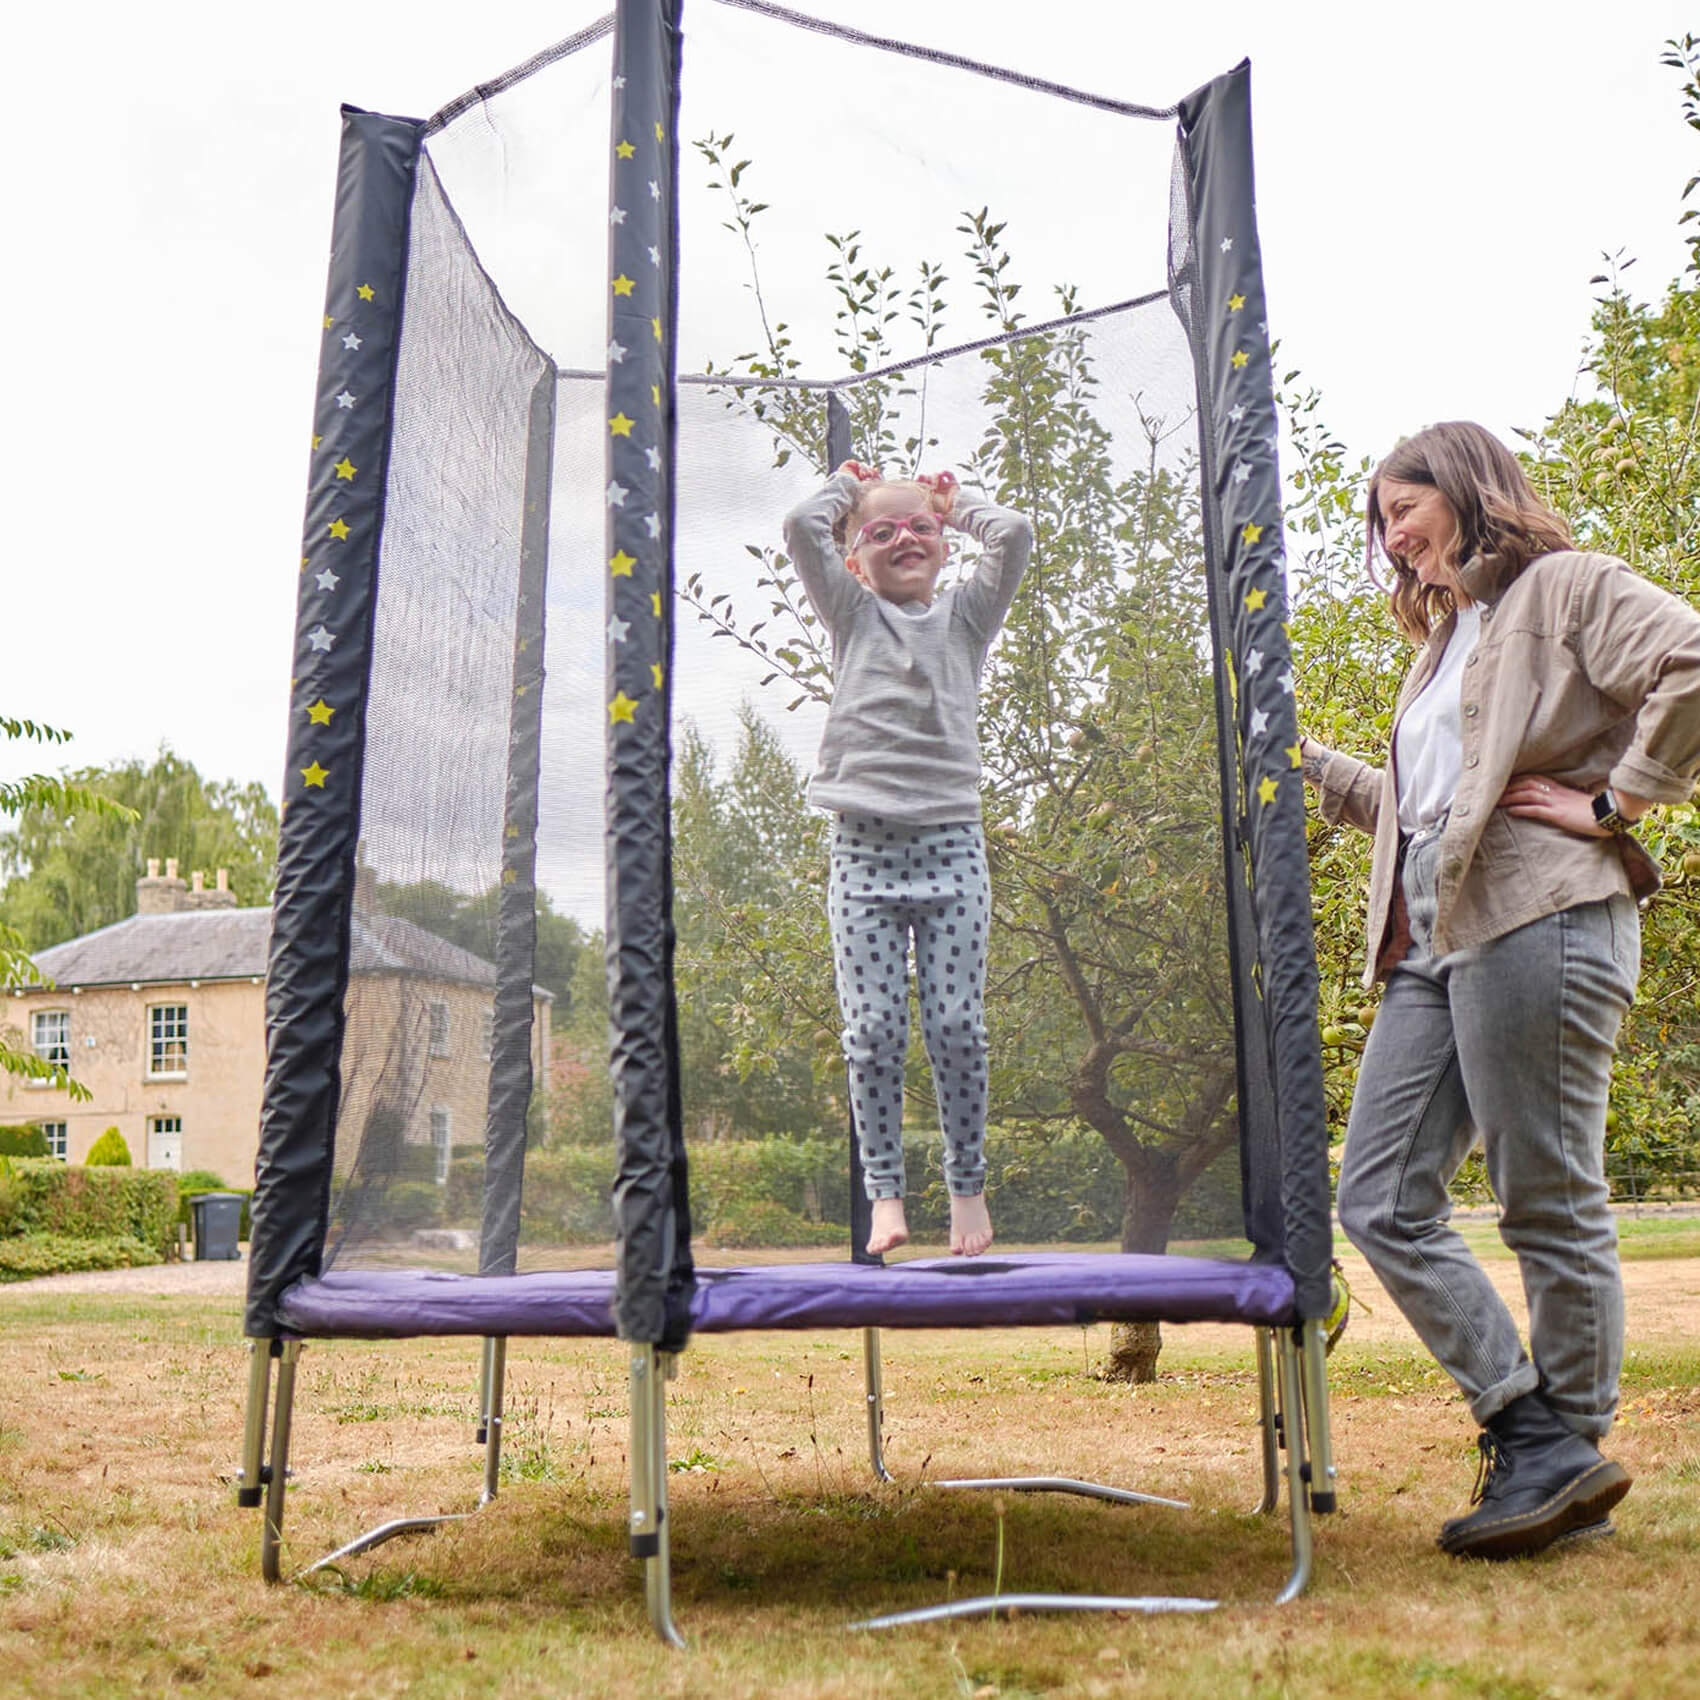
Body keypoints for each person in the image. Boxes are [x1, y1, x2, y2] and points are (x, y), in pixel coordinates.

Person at [1299, 420, 1700, 1560]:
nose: (1390, 537)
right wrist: (1310, 765)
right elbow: (1431, 808)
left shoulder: (1563, 588)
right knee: (1379, 1196)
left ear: (1467, 488)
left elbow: (1690, 661)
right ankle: (1534, 1437)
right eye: (1380, 522)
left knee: (1545, 1197)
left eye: (1402, 509)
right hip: (1432, 928)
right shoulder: (1443, 644)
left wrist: (1616, 802)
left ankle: (1563, 1459)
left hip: (1540, 908)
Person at [784, 460, 1032, 1257]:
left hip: (952, 843)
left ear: (945, 545)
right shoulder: (853, 613)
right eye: (881, 531)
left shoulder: (967, 619)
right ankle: (885, 1194)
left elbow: (1014, 534)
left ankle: (967, 1190)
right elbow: (799, 529)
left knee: (957, 1024)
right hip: (863, 851)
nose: (904, 539)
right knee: (874, 1028)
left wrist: (957, 505)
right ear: (855, 559)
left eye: (920, 528)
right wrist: (843, 490)